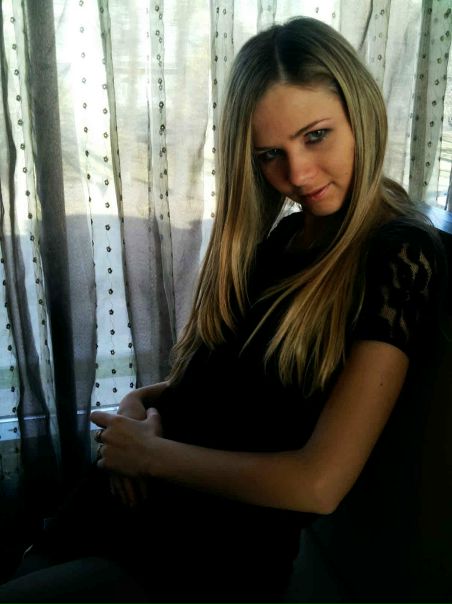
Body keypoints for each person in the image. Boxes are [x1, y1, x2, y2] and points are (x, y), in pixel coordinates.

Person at [0, 15, 445, 604]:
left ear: (360, 113)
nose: (297, 174)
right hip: (126, 508)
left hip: (202, 554)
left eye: (316, 135)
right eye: (270, 154)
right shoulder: (286, 238)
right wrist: (140, 405)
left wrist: (152, 457)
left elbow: (319, 483)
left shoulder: (400, 253)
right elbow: (235, 388)